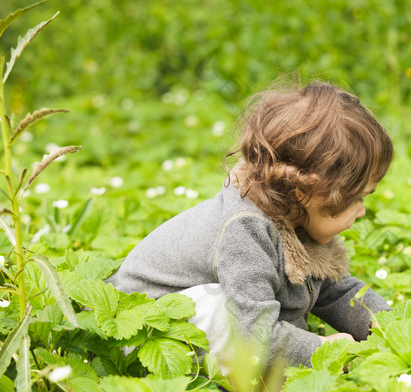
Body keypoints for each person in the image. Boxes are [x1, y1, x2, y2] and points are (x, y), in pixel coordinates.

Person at [108, 80, 393, 374]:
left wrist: (386, 323)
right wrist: (322, 352)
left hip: (210, 335)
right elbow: (255, 335)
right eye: (356, 198)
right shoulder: (244, 229)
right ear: (306, 190)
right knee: (220, 311)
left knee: (245, 318)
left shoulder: (297, 215)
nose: (361, 211)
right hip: (145, 331)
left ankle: (266, 383)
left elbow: (336, 292)